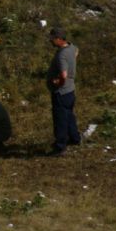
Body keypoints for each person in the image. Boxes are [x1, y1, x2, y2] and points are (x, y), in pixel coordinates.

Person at [46, 27, 81, 156]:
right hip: (70, 90)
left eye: (53, 39)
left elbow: (64, 74)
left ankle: (60, 146)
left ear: (59, 39)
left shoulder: (61, 55)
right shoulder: (71, 48)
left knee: (60, 119)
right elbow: (77, 51)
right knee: (69, 115)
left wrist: (58, 83)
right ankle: (75, 138)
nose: (51, 42)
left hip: (61, 92)